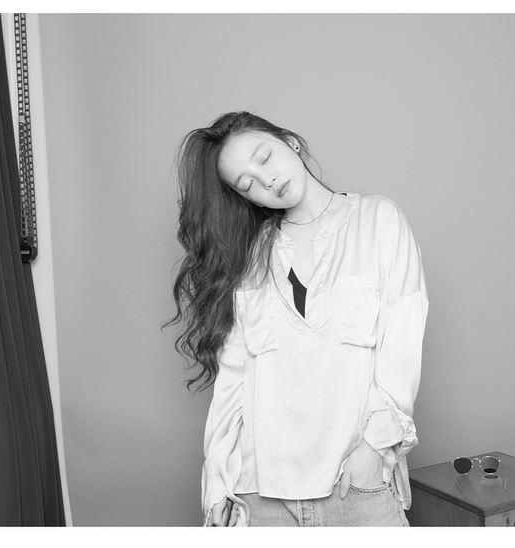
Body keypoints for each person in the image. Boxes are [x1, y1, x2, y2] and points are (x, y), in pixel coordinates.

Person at [168, 111, 429, 526]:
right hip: (260, 495)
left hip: (354, 484)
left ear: (289, 142)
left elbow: (401, 347)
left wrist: (373, 451)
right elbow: (234, 379)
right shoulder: (249, 257)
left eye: (265, 157)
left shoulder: (378, 220)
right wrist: (217, 483)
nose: (266, 180)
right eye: (247, 184)